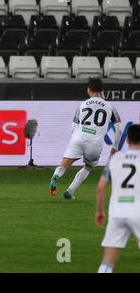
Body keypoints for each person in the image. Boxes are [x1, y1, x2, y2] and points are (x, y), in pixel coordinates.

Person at [49, 78, 122, 199]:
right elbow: (119, 130)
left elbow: (73, 127)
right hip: (95, 142)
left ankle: (56, 175)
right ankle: (70, 191)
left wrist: (76, 139)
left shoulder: (82, 105)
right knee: (88, 166)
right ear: (101, 90)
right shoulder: (110, 107)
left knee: (64, 164)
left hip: (78, 137)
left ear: (89, 89)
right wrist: (114, 148)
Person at [95, 124, 140, 273]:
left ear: (127, 139)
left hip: (117, 213)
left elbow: (101, 187)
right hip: (138, 212)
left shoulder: (115, 158)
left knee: (107, 261)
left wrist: (100, 211)